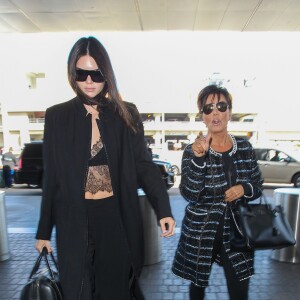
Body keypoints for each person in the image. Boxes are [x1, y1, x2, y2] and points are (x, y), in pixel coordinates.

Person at [35, 36, 176, 300]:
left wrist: (163, 210)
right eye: (82, 73)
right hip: (74, 222)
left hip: (116, 221)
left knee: (116, 292)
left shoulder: (126, 113)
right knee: (79, 291)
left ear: (107, 74)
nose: (89, 81)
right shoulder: (57, 116)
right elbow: (52, 177)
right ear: (72, 73)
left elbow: (144, 165)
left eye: (97, 73)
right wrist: (44, 231)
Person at [172, 84, 263, 300]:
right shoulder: (192, 150)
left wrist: (244, 188)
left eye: (221, 106)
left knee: (240, 290)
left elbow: (257, 184)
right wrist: (199, 159)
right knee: (197, 290)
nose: (215, 112)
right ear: (202, 116)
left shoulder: (244, 147)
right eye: (208, 108)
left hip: (238, 231)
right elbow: (190, 193)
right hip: (201, 232)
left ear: (229, 112)